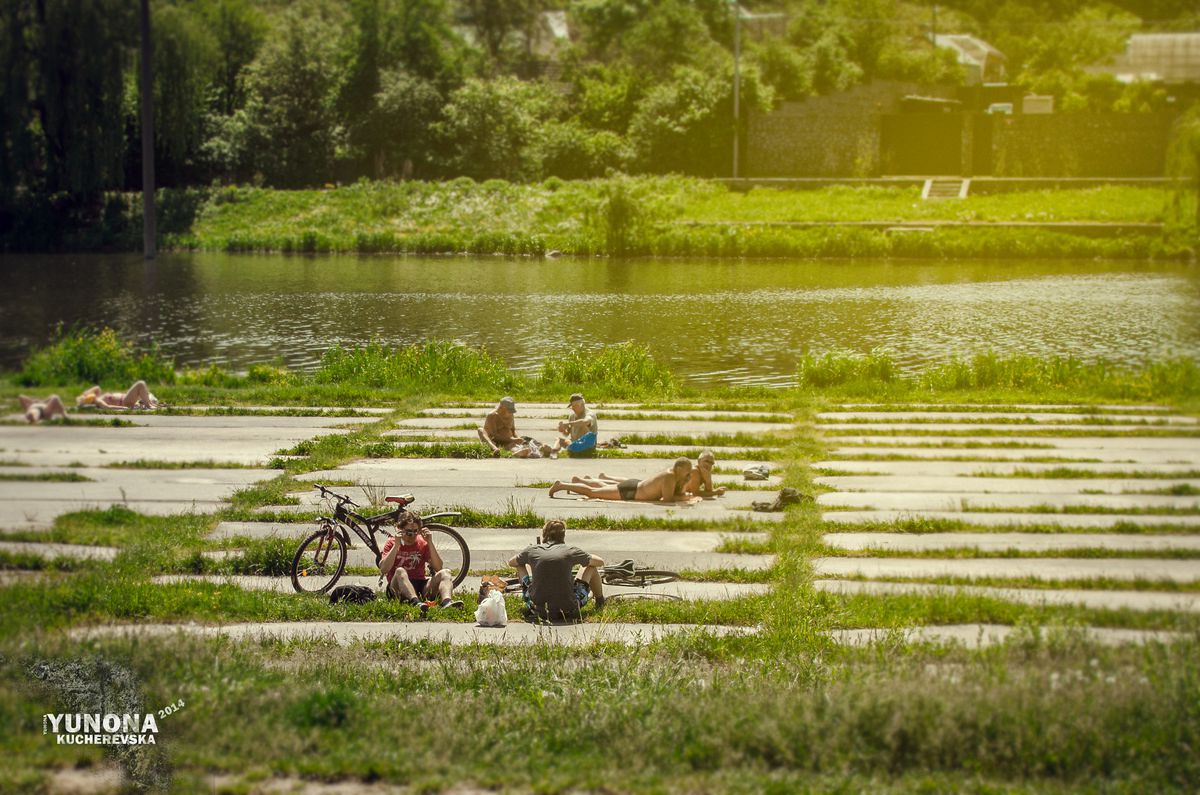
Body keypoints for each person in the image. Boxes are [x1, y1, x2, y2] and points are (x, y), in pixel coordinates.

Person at [508, 520, 604, 622]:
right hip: (569, 609)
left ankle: (534, 595)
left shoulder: (532, 550)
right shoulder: (571, 550)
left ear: (544, 534)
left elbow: (511, 562)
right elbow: (600, 562)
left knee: (520, 565)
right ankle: (600, 600)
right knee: (591, 567)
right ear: (563, 535)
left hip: (537, 609)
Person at [378, 509, 464, 610]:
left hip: (420, 584)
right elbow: (384, 569)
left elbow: (438, 567)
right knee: (400, 571)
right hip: (398, 586)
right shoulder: (392, 542)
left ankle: (447, 602)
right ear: (400, 529)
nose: (413, 536)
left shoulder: (421, 542)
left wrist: (430, 542)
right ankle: (416, 603)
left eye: (416, 531)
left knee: (445, 572)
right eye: (409, 532)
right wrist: (396, 545)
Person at [548, 458, 700, 504]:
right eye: (687, 472)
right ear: (679, 469)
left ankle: (579, 481)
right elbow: (667, 499)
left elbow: (676, 494)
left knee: (602, 489)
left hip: (634, 488)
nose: (689, 474)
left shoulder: (674, 476)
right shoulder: (670, 476)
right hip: (630, 492)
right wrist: (686, 497)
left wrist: (686, 482)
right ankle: (561, 485)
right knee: (594, 493)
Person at [477, 397, 549, 458]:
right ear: (502, 408)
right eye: (508, 410)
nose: (511, 413)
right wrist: (512, 439)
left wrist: (518, 439)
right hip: (498, 442)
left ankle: (540, 448)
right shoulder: (492, 416)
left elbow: (513, 430)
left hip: (511, 440)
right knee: (480, 430)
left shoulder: (511, 415)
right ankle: (495, 449)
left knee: (527, 441)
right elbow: (494, 436)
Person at [548, 393, 598, 458]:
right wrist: (562, 429)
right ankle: (554, 452)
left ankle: (579, 448)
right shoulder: (572, 416)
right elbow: (566, 434)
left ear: (581, 405)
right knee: (558, 440)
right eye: (571, 406)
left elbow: (585, 422)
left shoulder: (589, 414)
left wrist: (569, 424)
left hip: (587, 444)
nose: (572, 408)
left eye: (574, 406)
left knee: (582, 424)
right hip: (574, 443)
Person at [76, 380, 158, 410]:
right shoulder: (97, 400)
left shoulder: (97, 396)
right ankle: (149, 406)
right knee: (141, 384)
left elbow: (97, 388)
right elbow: (107, 407)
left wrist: (84, 395)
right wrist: (124, 408)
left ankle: (149, 403)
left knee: (149, 395)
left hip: (126, 398)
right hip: (125, 401)